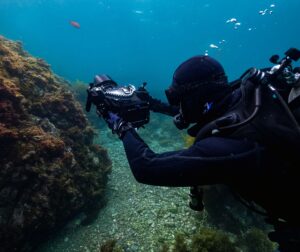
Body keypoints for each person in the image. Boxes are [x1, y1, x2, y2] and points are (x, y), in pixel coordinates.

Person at [102, 55, 300, 251]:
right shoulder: (243, 97)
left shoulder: (232, 146)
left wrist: (119, 124)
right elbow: (200, 111)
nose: (178, 105)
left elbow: (146, 167)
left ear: (197, 97)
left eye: (179, 98)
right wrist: (152, 104)